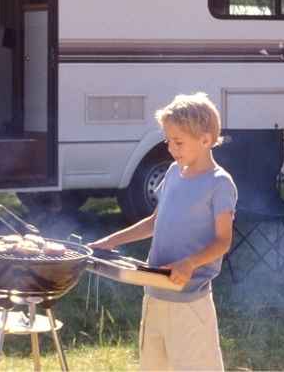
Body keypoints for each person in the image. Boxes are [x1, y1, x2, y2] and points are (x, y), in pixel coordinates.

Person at [89, 92, 236, 371]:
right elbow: (155, 222)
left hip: (190, 301)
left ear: (205, 140)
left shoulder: (220, 184)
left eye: (178, 142)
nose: (171, 148)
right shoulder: (172, 172)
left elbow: (223, 241)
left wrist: (190, 263)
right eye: (168, 140)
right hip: (155, 294)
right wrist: (111, 240)